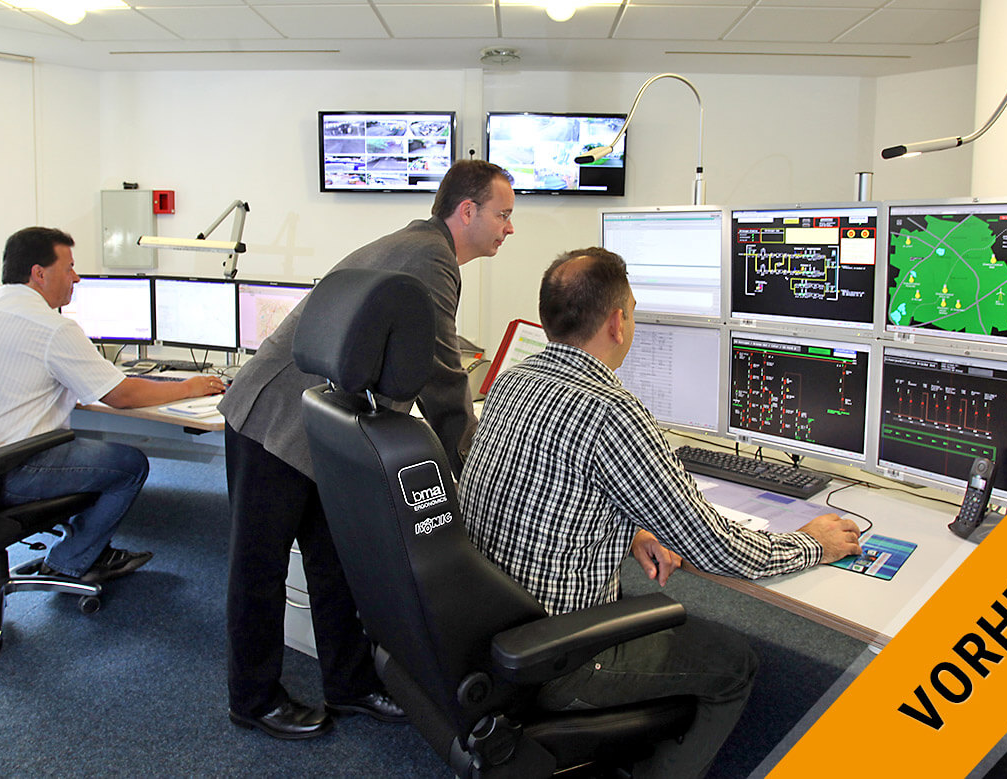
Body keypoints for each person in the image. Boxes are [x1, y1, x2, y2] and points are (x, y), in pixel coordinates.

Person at [458, 247, 862, 778]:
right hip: (562, 659)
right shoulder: (612, 411)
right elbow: (718, 548)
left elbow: (548, 491)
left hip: (495, 629)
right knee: (735, 663)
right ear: (618, 322)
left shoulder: (517, 379)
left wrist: (632, 527)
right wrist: (815, 542)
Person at [217, 159, 516, 740]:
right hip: (273, 418)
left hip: (318, 425)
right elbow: (440, 376)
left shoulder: (418, 246)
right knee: (259, 568)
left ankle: (349, 683)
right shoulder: (430, 259)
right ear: (467, 211)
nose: (510, 228)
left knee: (335, 562)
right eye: (504, 215)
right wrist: (477, 469)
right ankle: (252, 699)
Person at [0, 227, 224, 583]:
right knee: (128, 465)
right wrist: (190, 386)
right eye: (68, 267)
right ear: (39, 273)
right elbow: (121, 396)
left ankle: (86, 545)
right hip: (7, 469)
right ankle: (72, 559)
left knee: (87, 449)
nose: (76, 277)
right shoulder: (51, 327)